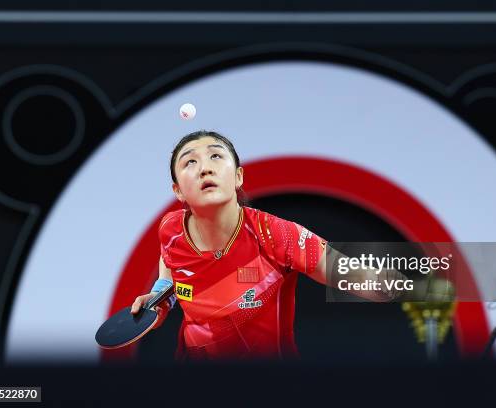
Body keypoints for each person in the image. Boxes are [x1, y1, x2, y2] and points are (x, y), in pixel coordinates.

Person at [130, 130, 399, 361]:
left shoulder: (274, 234)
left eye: (216, 156)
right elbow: (170, 260)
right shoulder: (171, 228)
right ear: (178, 191)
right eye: (190, 161)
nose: (205, 168)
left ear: (238, 177)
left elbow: (345, 272)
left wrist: (397, 284)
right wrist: (161, 294)